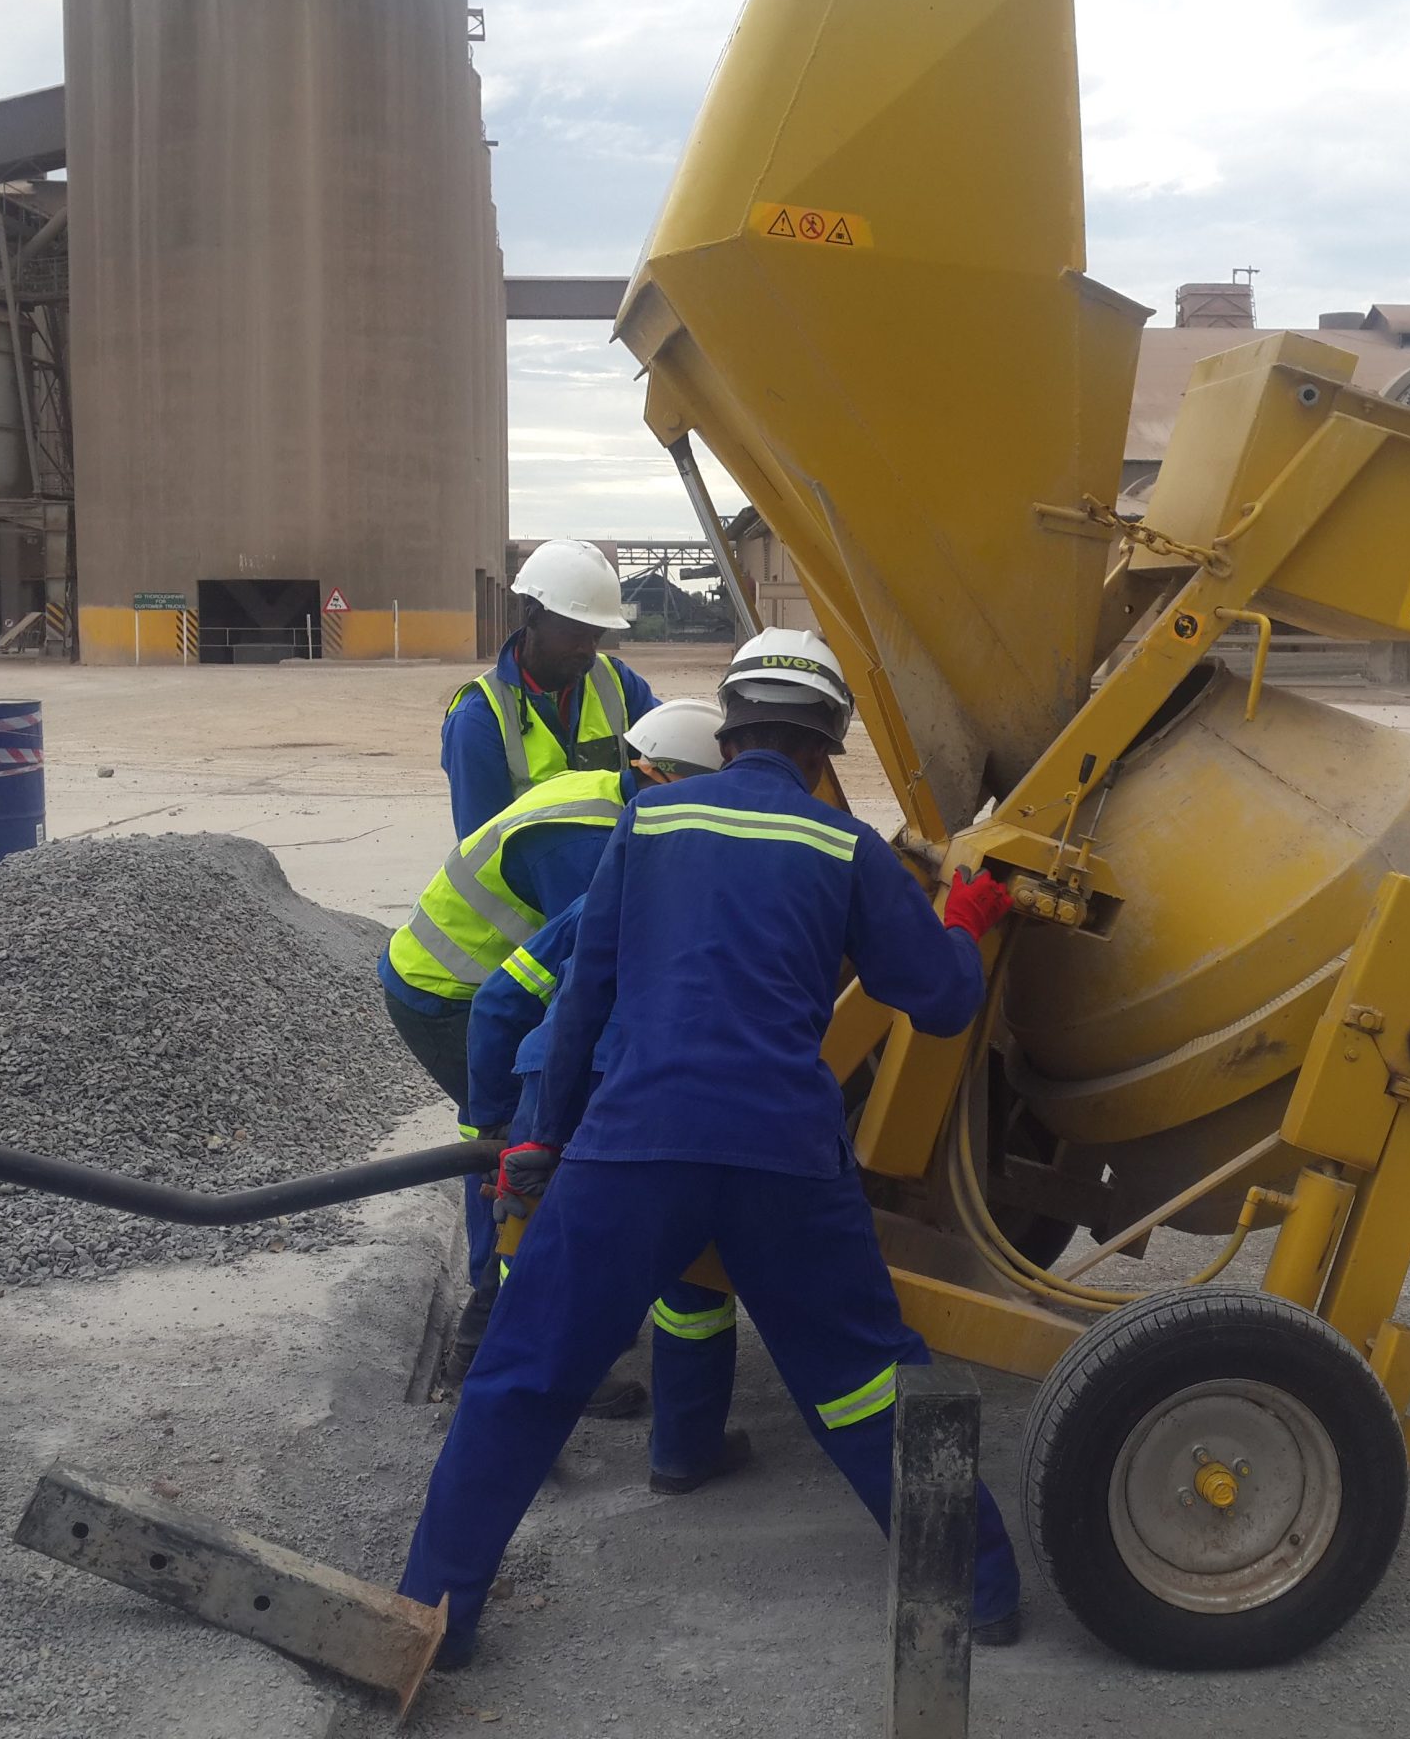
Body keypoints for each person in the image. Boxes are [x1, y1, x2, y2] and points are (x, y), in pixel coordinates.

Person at [399, 629, 1024, 1666]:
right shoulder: (845, 848)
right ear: (824, 749)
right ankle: (983, 1589)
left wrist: (542, 1140)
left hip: (634, 1144)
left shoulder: (647, 821)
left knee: (524, 1373)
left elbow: (585, 998)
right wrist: (962, 921)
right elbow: (945, 1003)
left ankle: (433, 1618)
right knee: (866, 1380)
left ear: (728, 735)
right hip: (783, 1153)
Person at [381, 700, 725, 1391]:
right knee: (520, 1158)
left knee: (524, 1156)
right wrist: (508, 1120)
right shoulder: (587, 848)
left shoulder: (614, 800)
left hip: (489, 992)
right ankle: (504, 1349)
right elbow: (579, 989)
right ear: (659, 776)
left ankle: (507, 1337)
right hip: (455, 997)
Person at [466, 701, 745, 1492]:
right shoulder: (743, 896)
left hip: (556, 1087)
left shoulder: (611, 887)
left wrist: (496, 1119)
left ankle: (514, 1452)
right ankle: (683, 1455)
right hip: (654, 1095)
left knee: (537, 1267)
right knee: (690, 1274)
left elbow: (500, 1001)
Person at [442, 539, 657, 839]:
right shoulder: (478, 719)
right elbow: (482, 847)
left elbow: (668, 757)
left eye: (596, 636)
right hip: (533, 871)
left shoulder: (618, 682)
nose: (588, 650)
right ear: (531, 614)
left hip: (618, 864)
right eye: (575, 634)